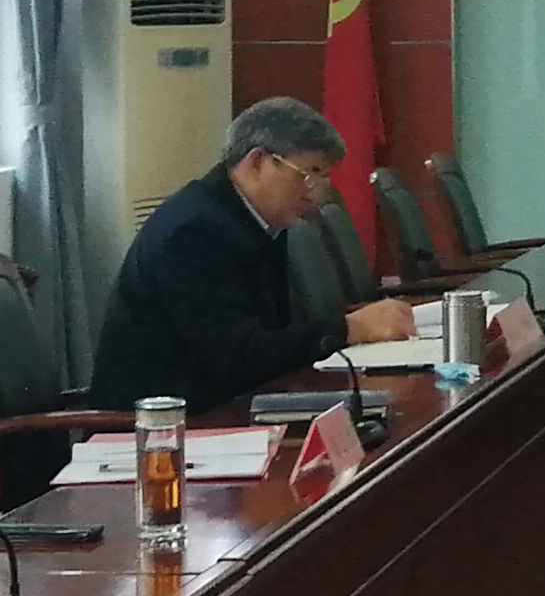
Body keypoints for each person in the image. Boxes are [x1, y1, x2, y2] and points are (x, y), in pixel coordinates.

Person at [89, 96, 419, 410]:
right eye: (307, 175)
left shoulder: (251, 219)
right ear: (258, 161)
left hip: (229, 403)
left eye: (322, 179)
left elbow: (267, 340)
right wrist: (347, 329)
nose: (314, 195)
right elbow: (237, 356)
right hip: (166, 426)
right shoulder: (195, 231)